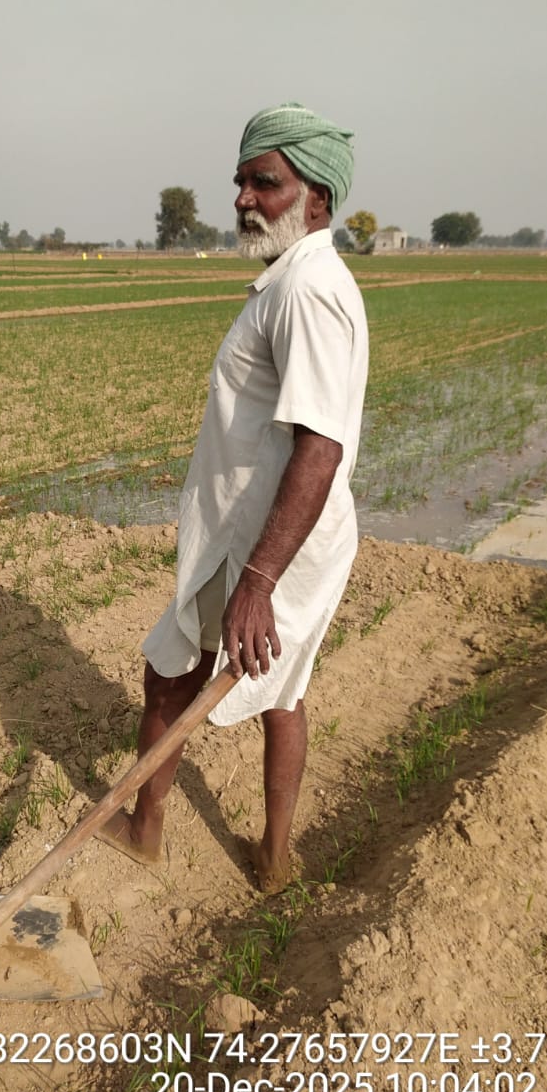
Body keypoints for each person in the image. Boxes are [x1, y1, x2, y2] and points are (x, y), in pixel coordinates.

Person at [97, 101, 369, 894]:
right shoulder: (299, 279)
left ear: (316, 197)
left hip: (258, 540)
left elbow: (320, 445)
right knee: (284, 690)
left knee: (171, 674)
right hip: (285, 536)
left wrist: (256, 581)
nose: (247, 197)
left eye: (267, 183)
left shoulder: (307, 291)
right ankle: (276, 860)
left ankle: (146, 831)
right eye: (243, 181)